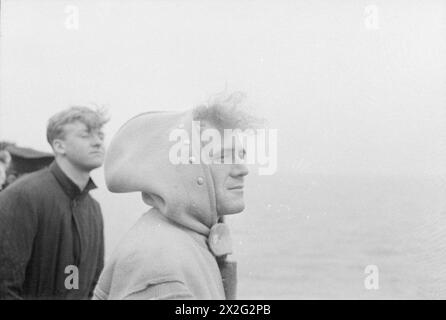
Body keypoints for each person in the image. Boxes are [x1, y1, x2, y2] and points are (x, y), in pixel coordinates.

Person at [94, 92, 256, 300]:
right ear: (187, 168)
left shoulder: (186, 238)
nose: (243, 169)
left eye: (241, 155)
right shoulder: (159, 265)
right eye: (223, 156)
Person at [0, 106, 108, 299]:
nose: (98, 142)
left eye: (100, 135)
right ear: (59, 146)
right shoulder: (23, 196)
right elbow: (5, 285)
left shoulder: (93, 209)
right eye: (86, 135)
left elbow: (84, 284)